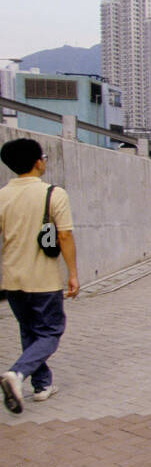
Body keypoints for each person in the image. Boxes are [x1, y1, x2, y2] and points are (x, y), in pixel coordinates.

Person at [0, 138, 78, 413]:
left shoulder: (2, 196)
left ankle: (42, 386)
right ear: (37, 162)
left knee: (29, 331)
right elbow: (64, 235)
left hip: (12, 279)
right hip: (44, 279)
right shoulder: (54, 194)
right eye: (43, 156)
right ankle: (17, 374)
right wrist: (73, 273)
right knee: (50, 332)